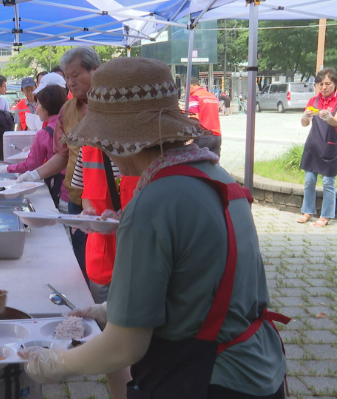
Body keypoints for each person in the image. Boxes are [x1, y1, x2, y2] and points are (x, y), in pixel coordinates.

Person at [19, 57, 289, 399]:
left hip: (210, 379)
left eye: (102, 138)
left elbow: (123, 347)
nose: (103, 149)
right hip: (262, 368)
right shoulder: (217, 177)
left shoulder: (151, 205)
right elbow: (198, 285)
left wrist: (56, 362)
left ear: (121, 140)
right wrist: (107, 309)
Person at [17, 46, 101, 283]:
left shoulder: (110, 108)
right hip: (75, 198)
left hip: (105, 202)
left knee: (102, 269)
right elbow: (63, 155)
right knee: (81, 261)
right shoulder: (68, 110)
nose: (71, 82)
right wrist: (34, 175)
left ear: (95, 71)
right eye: (67, 77)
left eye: (76, 75)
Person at [0, 85, 69, 209]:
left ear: (47, 107)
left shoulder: (44, 133)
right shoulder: (71, 124)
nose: (36, 109)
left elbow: (31, 164)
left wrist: (7, 169)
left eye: (38, 105)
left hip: (61, 190)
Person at [297, 67, 337, 228]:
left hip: (330, 146)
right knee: (309, 181)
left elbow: (336, 122)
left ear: (334, 84)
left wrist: (329, 117)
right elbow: (305, 124)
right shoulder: (313, 101)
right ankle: (307, 211)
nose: (324, 87)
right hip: (313, 145)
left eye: (327, 83)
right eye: (321, 84)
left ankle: (326, 215)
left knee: (328, 182)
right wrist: (305, 117)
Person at [188, 77, 223, 157]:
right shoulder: (211, 96)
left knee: (199, 166)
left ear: (190, 86)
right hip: (217, 135)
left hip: (203, 136)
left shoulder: (194, 97)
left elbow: (194, 118)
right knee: (214, 165)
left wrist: (190, 137)